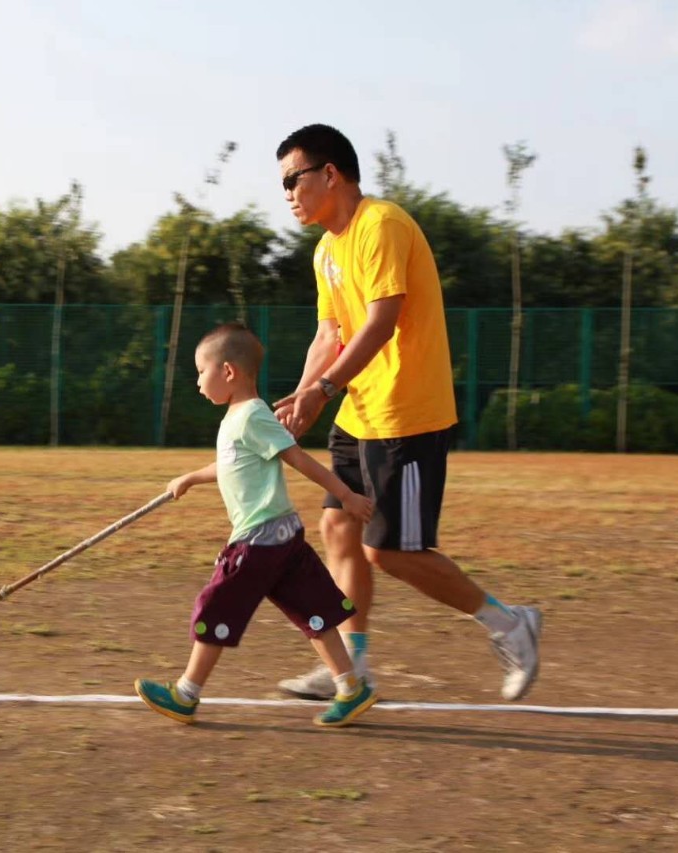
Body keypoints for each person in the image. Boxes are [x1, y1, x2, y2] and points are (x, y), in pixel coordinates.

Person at [270, 123, 542, 702]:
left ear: (331, 174)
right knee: (339, 525)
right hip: (359, 411)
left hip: (405, 413)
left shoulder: (381, 225)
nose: (288, 193)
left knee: (391, 550)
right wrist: (301, 396)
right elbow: (330, 333)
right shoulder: (326, 251)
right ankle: (354, 668)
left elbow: (381, 321)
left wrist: (323, 389)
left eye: (293, 179)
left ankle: (511, 624)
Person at [134, 323, 378, 728]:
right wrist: (191, 478)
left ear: (228, 372)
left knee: (217, 607)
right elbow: (233, 465)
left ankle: (186, 694)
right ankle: (351, 688)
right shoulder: (239, 417)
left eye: (201, 372)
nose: (197, 383)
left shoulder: (250, 415)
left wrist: (347, 495)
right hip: (280, 539)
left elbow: (297, 458)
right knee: (315, 612)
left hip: (259, 542)